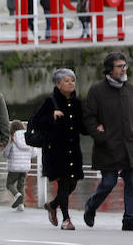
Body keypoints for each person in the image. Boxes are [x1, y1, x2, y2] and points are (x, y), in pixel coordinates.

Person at [82, 52, 133, 231]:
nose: (123, 69)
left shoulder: (130, 89)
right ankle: (91, 206)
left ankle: (129, 219)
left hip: (129, 146)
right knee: (109, 182)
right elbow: (88, 117)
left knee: (132, 182)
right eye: (120, 66)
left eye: (124, 66)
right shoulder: (97, 91)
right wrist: (99, 135)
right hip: (108, 146)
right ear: (109, 70)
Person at [30, 69, 86, 229]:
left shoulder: (77, 103)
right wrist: (50, 117)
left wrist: (97, 126)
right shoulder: (50, 101)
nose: (71, 83)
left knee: (72, 184)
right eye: (67, 80)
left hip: (73, 150)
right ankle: (66, 220)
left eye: (73, 80)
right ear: (58, 84)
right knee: (63, 183)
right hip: (55, 150)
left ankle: (53, 205)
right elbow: (35, 122)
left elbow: (82, 127)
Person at [2, 120, 33, 212]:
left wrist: (7, 146)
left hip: (14, 167)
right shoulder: (28, 138)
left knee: (9, 184)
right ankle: (21, 205)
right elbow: (34, 153)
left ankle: (17, 195)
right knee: (21, 185)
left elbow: (6, 154)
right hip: (25, 167)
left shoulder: (13, 139)